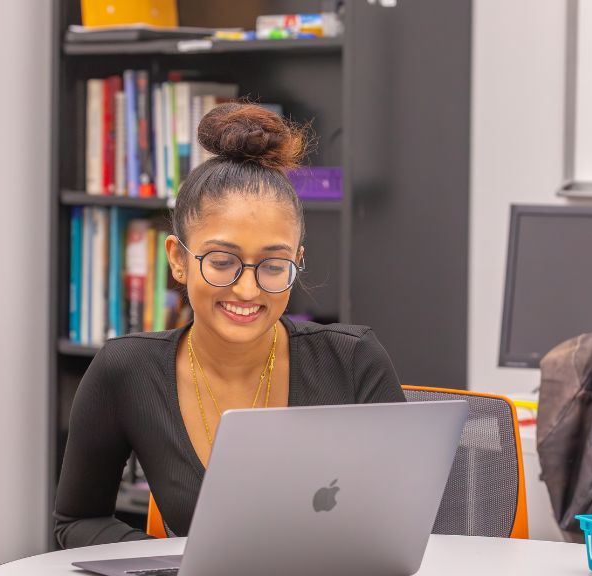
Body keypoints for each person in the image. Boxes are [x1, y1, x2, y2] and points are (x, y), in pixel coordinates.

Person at [54, 102, 404, 548]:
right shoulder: (125, 369)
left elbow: (400, 525)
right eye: (222, 262)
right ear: (178, 260)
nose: (247, 289)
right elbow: (77, 520)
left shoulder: (353, 361)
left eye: (274, 265)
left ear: (297, 262)